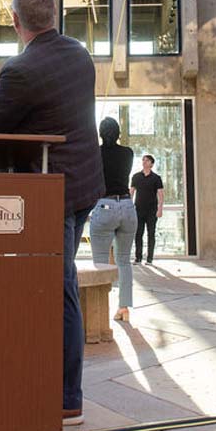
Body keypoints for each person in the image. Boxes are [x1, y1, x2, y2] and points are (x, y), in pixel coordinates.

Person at [0, 0, 104, 428]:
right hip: (85, 186)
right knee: (54, 284)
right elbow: (47, 109)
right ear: (53, 16)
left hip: (54, 195)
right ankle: (46, 381)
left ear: (14, 21)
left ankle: (67, 399)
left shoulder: (20, 70)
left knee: (60, 289)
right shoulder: (79, 55)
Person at [90, 117, 137, 322]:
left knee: (100, 262)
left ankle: (98, 312)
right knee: (124, 261)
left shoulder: (95, 154)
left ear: (100, 133)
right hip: (127, 206)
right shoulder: (128, 153)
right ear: (118, 133)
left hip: (105, 205)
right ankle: (124, 308)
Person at [130, 155, 164, 265]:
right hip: (138, 210)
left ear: (152, 164)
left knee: (151, 234)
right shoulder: (136, 176)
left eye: (147, 160)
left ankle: (150, 259)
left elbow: (160, 195)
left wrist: (160, 209)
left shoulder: (156, 178)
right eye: (143, 160)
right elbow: (131, 193)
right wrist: (129, 207)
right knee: (138, 234)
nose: (144, 162)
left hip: (152, 210)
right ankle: (138, 258)